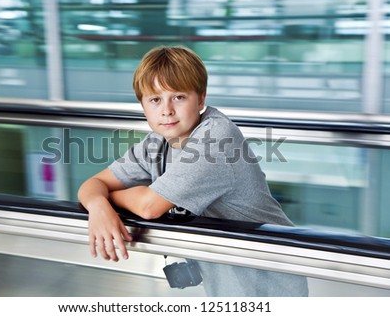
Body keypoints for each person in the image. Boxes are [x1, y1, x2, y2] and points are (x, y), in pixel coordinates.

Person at [77, 45, 308, 296]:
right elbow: (93, 183)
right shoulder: (157, 143)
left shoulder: (217, 139)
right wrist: (98, 207)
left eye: (178, 97)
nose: (166, 110)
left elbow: (148, 207)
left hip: (269, 282)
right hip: (226, 282)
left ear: (201, 99)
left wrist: (108, 197)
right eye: (155, 99)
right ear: (143, 106)